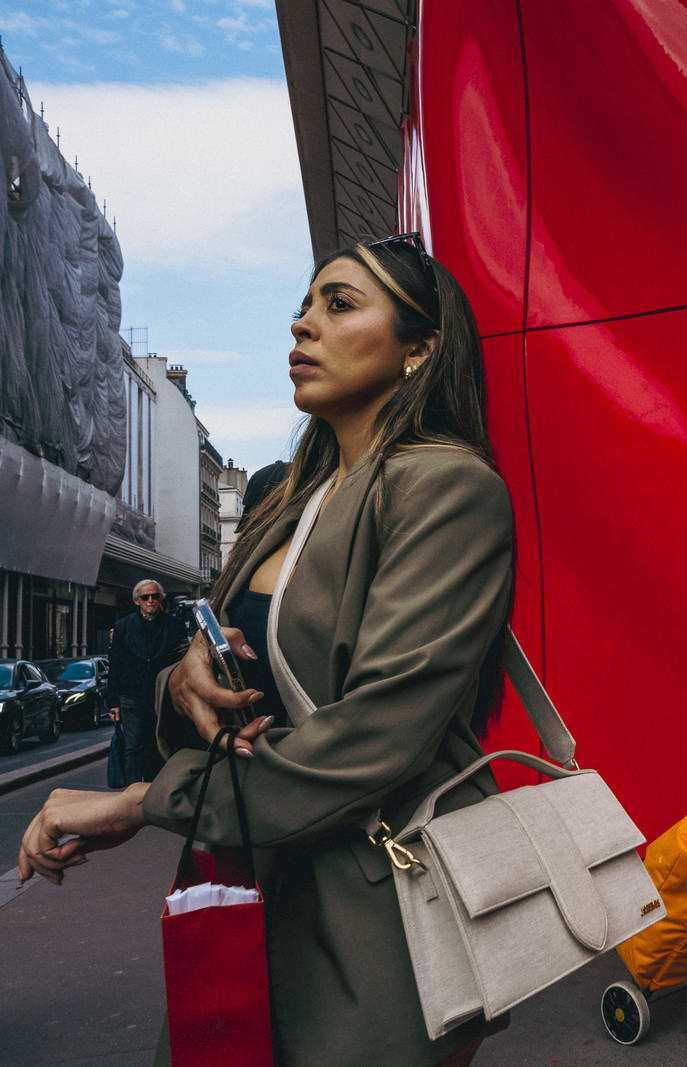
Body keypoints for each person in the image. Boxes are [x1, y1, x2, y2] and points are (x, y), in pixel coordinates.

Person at [20, 233, 515, 1066]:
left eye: (340, 304)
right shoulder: (287, 503)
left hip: (369, 911)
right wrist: (186, 679)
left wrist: (141, 801)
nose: (303, 326)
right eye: (304, 305)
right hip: (244, 879)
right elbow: (222, 686)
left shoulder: (449, 488)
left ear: (419, 348)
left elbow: (376, 738)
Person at [106, 579, 186, 783]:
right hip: (131, 695)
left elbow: (182, 663)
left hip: (162, 695)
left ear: (161, 598)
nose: (150, 600)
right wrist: (113, 702)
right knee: (133, 745)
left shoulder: (175, 626)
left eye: (155, 596)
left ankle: (155, 789)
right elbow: (115, 665)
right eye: (145, 597)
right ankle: (132, 793)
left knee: (159, 743)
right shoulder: (123, 626)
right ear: (136, 601)